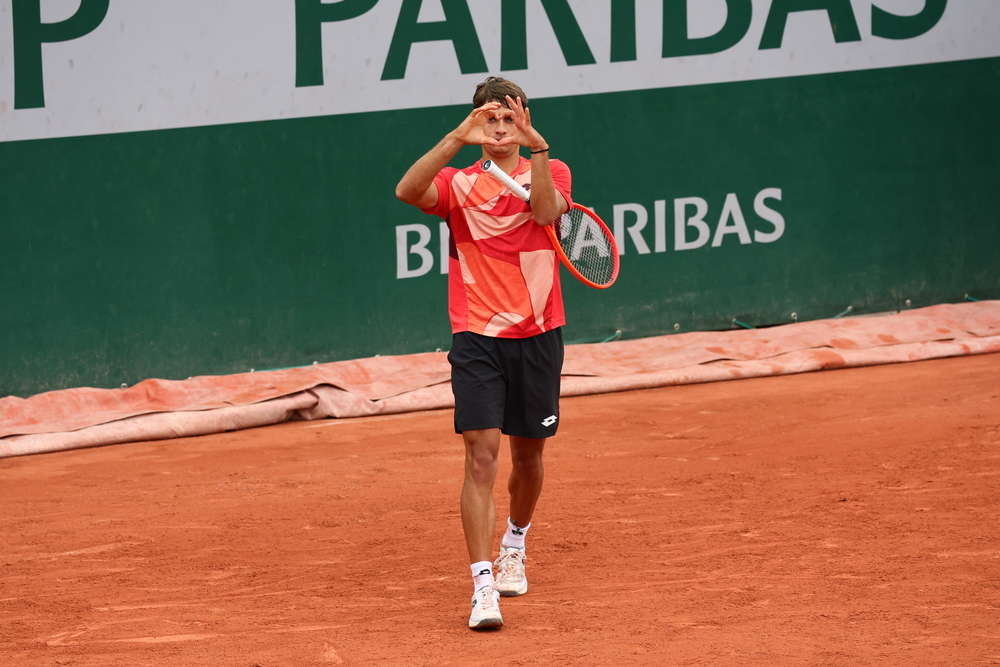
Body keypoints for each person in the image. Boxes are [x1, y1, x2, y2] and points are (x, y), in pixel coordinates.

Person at [395, 77, 571, 630]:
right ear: (477, 123)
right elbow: (406, 190)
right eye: (488, 119)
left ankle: (514, 541)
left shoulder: (553, 168)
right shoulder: (455, 184)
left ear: (523, 121)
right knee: (481, 457)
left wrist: (536, 148)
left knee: (529, 458)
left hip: (539, 335)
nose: (498, 128)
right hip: (476, 338)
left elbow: (545, 212)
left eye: (507, 118)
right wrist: (455, 137)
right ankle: (482, 585)